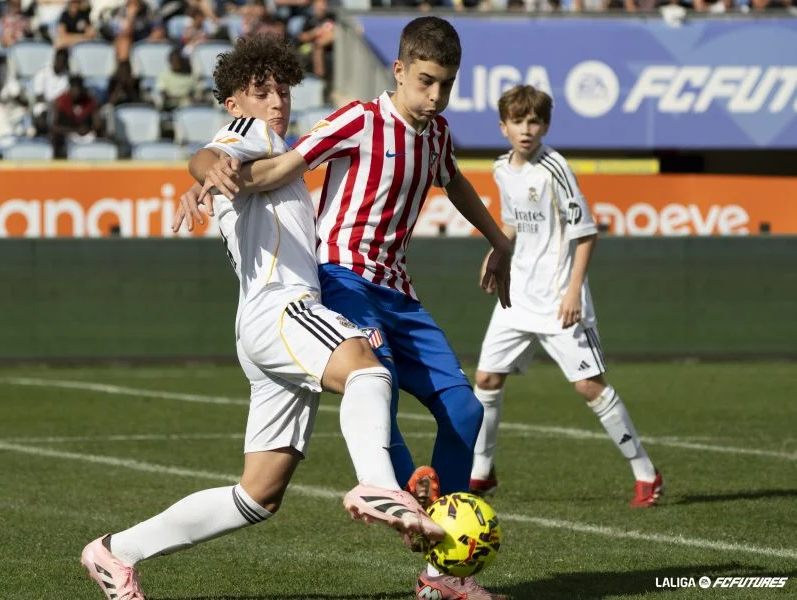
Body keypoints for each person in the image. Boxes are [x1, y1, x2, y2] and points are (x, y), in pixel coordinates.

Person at [81, 34, 443, 600]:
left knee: (258, 495)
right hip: (283, 308)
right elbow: (208, 154)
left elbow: (217, 165)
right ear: (235, 104)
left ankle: (114, 552)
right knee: (367, 369)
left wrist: (208, 178)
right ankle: (377, 485)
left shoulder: (277, 156)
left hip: (265, 322)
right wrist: (207, 170)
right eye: (261, 91)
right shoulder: (252, 135)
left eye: (283, 91)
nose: (276, 101)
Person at [185, 16, 512, 600]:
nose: (435, 96)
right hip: (342, 280)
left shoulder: (437, 135)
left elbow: (455, 181)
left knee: (465, 411)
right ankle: (409, 507)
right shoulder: (358, 119)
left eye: (446, 84)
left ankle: (437, 565)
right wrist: (212, 174)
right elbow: (282, 166)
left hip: (398, 292)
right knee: (375, 382)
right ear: (399, 70)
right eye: (426, 81)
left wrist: (500, 241)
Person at [468, 84, 664, 509]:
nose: (526, 129)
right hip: (517, 296)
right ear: (503, 127)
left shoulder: (555, 168)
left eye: (534, 121)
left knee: (589, 386)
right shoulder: (502, 169)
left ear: (545, 126)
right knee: (485, 379)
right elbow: (512, 222)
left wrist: (574, 291)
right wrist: (496, 252)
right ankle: (482, 472)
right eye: (518, 121)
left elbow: (586, 233)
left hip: (559, 299)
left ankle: (646, 473)